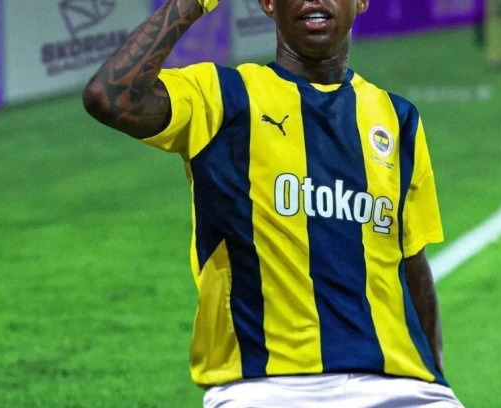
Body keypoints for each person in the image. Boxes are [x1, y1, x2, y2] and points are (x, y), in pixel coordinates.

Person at [83, 0, 464, 406]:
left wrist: (435, 380)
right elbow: (110, 97)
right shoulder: (222, 96)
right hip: (264, 387)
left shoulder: (398, 118)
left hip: (397, 385)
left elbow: (412, 260)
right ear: (268, 3)